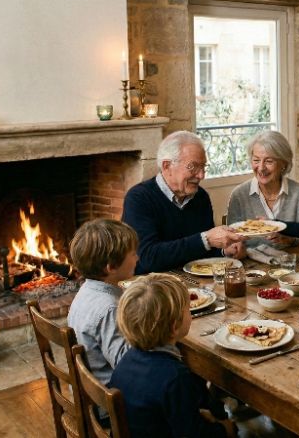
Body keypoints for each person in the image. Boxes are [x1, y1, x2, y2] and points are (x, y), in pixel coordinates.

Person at [111, 273, 235, 438]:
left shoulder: (125, 361)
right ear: (174, 326)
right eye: (187, 309)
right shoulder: (175, 377)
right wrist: (226, 429)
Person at [122, 131, 245, 274]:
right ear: (167, 166)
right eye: (193, 167)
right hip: (151, 286)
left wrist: (224, 250)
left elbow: (204, 252)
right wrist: (206, 240)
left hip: (195, 283)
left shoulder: (201, 196)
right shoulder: (139, 198)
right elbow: (148, 258)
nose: (201, 175)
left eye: (203, 167)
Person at [67, 219, 137, 386]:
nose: (138, 258)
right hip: (110, 400)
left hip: (92, 389)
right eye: (133, 254)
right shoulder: (109, 308)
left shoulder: (87, 290)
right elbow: (127, 365)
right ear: (111, 267)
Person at [226, 130, 299, 248]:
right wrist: (235, 248)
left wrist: (289, 239)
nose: (261, 168)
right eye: (256, 160)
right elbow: (232, 241)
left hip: (291, 263)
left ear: (283, 164)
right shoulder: (239, 195)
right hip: (251, 265)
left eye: (269, 161)